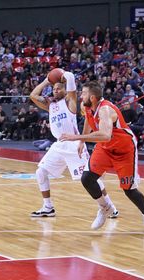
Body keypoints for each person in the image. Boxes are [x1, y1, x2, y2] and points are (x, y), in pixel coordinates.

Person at [61, 81, 144, 233]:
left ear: (92, 97)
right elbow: (88, 117)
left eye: (84, 93)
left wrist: (76, 136)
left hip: (124, 150)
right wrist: (82, 141)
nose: (81, 95)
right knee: (87, 178)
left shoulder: (105, 110)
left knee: (129, 190)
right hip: (105, 149)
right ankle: (105, 208)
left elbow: (105, 135)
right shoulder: (86, 106)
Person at [29, 70, 118, 219]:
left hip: (73, 144)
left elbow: (70, 78)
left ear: (65, 90)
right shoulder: (50, 105)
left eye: (59, 88)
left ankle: (110, 207)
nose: (56, 90)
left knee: (90, 178)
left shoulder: (70, 101)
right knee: (40, 172)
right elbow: (33, 96)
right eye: (54, 88)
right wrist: (47, 81)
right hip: (58, 145)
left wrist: (63, 75)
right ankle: (48, 207)